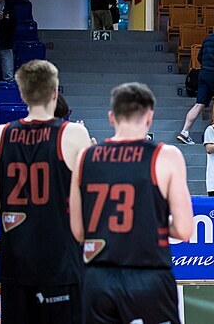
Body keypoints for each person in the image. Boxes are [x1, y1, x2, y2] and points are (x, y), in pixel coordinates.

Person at [69, 82, 193, 323]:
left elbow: (78, 231)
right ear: (149, 117)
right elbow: (184, 229)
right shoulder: (167, 156)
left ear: (111, 117)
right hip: (148, 276)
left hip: (98, 277)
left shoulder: (86, 156)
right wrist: (147, 222)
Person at [0, 60, 92, 323]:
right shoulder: (74, 133)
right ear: (55, 92)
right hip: (60, 265)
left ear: (22, 94)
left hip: (16, 265)